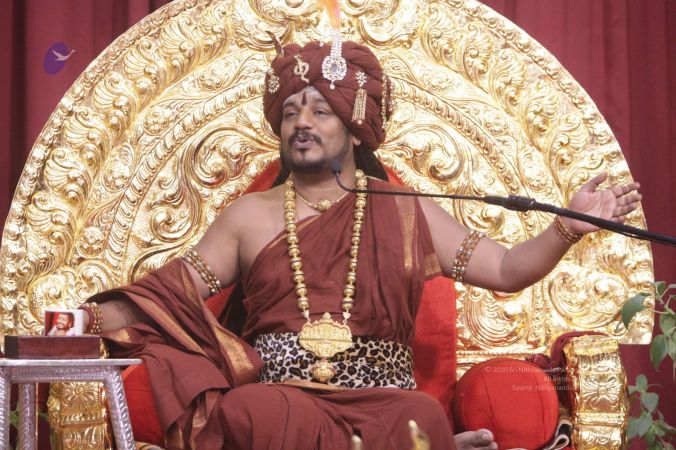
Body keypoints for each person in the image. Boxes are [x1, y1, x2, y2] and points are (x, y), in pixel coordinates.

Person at [79, 39, 641, 450]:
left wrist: (567, 227)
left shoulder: (404, 208)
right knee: (252, 408)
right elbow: (168, 295)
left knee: (419, 414)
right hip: (284, 396)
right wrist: (85, 321)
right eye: (291, 112)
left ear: (354, 126)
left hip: (383, 402)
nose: (302, 122)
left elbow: (506, 268)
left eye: (320, 110)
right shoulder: (250, 215)